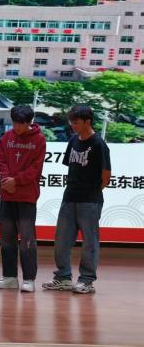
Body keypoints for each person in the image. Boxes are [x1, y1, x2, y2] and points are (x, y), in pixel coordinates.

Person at [42, 105, 111, 294]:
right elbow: (72, 168)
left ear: (87, 122)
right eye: (71, 122)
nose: (72, 125)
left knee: (90, 242)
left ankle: (86, 280)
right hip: (69, 197)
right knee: (62, 240)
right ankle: (63, 278)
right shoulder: (73, 140)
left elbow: (106, 176)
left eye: (76, 122)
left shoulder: (98, 144)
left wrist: (91, 192)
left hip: (90, 201)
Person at [0, 105, 46, 293]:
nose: (17, 127)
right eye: (15, 123)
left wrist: (16, 180)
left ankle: (29, 279)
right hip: (7, 194)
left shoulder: (39, 139)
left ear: (29, 122)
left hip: (27, 197)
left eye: (21, 124)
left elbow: (35, 168)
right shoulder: (6, 138)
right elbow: (1, 161)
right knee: (7, 237)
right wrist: (7, 179)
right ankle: (10, 277)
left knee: (27, 239)